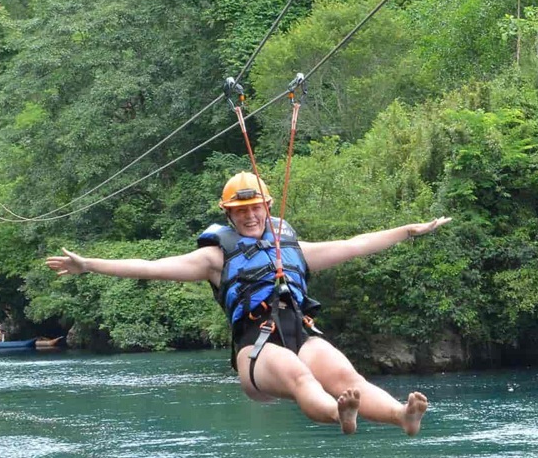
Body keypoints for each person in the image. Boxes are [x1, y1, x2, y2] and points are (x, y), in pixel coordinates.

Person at [46, 171, 451, 435]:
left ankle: (402, 416)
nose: (250, 216)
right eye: (240, 211)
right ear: (228, 215)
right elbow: (150, 267)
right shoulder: (215, 258)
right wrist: (89, 265)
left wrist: (408, 230)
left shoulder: (297, 249)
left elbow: (354, 245)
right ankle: (339, 415)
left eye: (255, 208)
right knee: (301, 377)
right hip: (256, 349)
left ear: (267, 208)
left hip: (302, 333)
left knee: (349, 378)